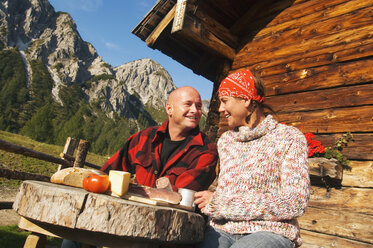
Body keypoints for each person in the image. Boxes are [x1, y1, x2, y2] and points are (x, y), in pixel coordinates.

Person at [61, 86, 218, 248]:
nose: (195, 110)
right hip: (128, 213)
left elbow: (177, 197)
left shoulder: (206, 150)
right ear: (169, 109)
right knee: (75, 232)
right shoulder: (144, 137)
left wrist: (133, 189)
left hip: (168, 230)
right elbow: (108, 172)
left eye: (199, 106)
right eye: (188, 104)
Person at [194, 68, 310, 248]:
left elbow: (295, 201)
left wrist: (223, 203)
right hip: (223, 229)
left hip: (272, 231)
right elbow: (224, 193)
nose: (220, 108)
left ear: (246, 100)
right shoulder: (226, 141)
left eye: (225, 101)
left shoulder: (289, 138)